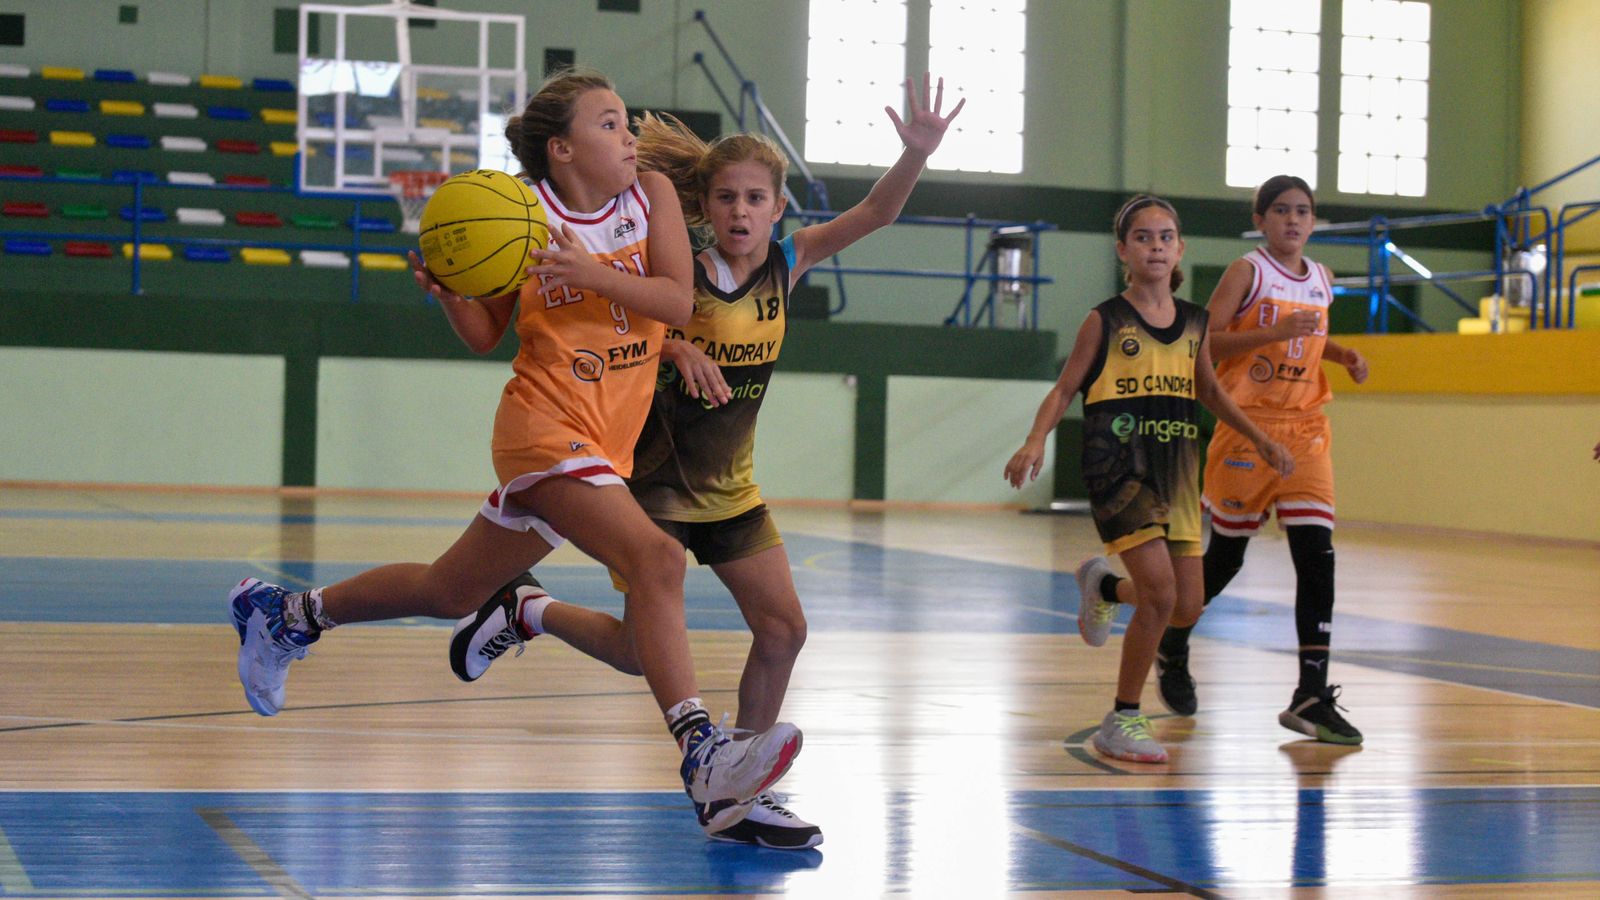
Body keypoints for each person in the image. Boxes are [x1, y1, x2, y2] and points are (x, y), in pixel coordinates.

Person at [227, 68, 801, 834]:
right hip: (541, 426)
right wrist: (452, 291)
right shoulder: (517, 216)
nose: (629, 135)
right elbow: (485, 335)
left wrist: (589, 272)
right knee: (658, 560)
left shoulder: (652, 195)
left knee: (449, 592)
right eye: (609, 124)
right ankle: (702, 751)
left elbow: (674, 301)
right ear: (562, 149)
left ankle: (288, 614)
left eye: (626, 121)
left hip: (606, 441)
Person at [447, 74, 965, 848]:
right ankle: (533, 612)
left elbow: (875, 213)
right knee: (636, 654)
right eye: (726, 198)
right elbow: (644, 313)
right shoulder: (671, 259)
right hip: (651, 477)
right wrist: (682, 344)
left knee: (785, 628)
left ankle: (743, 787)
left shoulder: (787, 265)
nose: (741, 212)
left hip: (729, 487)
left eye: (756, 199)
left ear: (777, 210)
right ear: (705, 207)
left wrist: (914, 154)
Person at [1004, 195, 1293, 764]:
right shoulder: (1105, 320)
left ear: (1180, 248)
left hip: (1178, 467)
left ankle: (1105, 588)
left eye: (1165, 236)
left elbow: (1209, 391)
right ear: (1123, 250)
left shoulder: (1195, 323)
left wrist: (1259, 437)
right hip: (1119, 466)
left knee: (1188, 604)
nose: (1155, 246)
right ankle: (1122, 718)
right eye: (1143, 237)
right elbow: (1065, 388)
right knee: (1161, 595)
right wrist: (1036, 437)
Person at [1147, 174, 1369, 746]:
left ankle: (1311, 695)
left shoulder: (1322, 277)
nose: (1293, 220)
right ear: (1262, 219)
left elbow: (1310, 340)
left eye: (1303, 211)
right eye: (1281, 210)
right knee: (1224, 560)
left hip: (1306, 431)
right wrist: (1270, 331)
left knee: (1317, 556)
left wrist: (1340, 353)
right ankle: (1173, 644)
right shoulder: (1248, 272)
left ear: (1313, 221)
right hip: (1245, 427)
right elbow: (1205, 342)